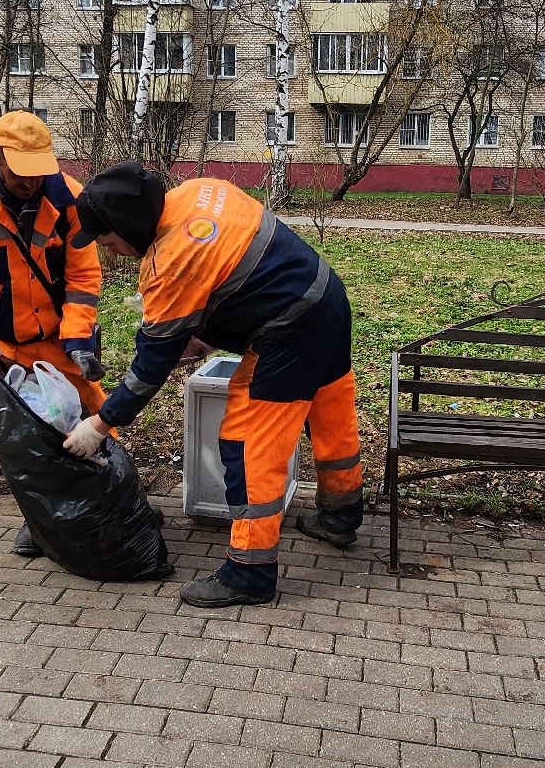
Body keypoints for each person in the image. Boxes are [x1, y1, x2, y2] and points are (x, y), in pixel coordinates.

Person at [60, 162, 363, 608]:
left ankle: (249, 574)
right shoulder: (199, 192)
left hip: (289, 329)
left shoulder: (170, 262)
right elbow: (235, 266)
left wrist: (100, 425)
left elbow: (148, 370)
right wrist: (203, 327)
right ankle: (340, 517)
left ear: (126, 226)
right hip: (326, 300)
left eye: (108, 240)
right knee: (330, 415)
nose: (112, 252)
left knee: (247, 442)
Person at [0, 111, 104, 558]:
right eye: (21, 173)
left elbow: (83, 276)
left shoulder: (68, 196)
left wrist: (77, 339)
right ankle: (42, 518)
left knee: (95, 419)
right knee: (29, 438)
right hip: (6, 345)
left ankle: (110, 496)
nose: (32, 183)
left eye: (39, 173)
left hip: (62, 338)